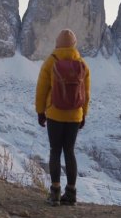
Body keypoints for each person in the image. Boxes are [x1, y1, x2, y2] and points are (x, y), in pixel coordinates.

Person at [35, 29, 91, 206]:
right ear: (74, 45)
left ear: (57, 44)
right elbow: (86, 94)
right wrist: (83, 114)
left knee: (55, 151)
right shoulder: (82, 64)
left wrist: (40, 111)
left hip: (55, 115)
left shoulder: (51, 62)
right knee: (69, 151)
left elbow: (41, 89)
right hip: (75, 116)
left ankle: (55, 193)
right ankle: (71, 194)